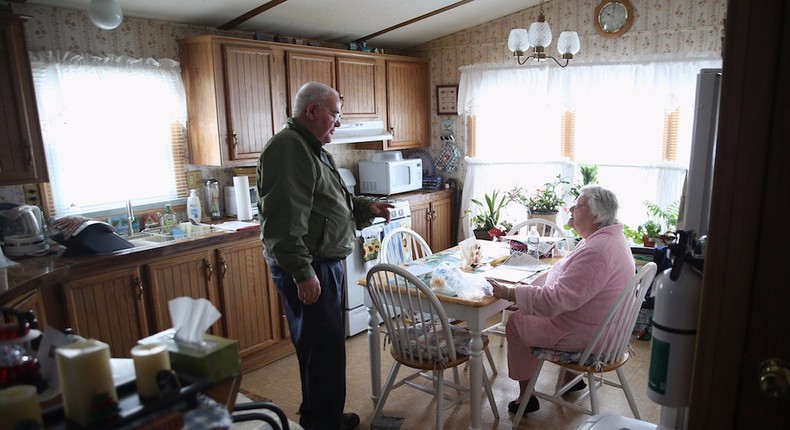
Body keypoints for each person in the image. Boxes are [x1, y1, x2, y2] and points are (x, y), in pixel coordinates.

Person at [257, 81, 393, 430]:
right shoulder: (289, 149)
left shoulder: (312, 147)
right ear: (312, 111)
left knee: (320, 349)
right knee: (324, 351)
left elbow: (329, 204)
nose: (339, 122)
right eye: (335, 114)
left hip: (320, 262)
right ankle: (326, 423)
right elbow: (284, 220)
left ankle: (319, 415)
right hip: (310, 264)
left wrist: (367, 207)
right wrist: (302, 272)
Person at [488, 185, 635, 415]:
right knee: (530, 310)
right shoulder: (609, 239)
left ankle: (526, 399)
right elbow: (572, 287)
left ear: (595, 215)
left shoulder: (598, 251)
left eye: (578, 206)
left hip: (590, 336)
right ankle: (573, 379)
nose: (572, 209)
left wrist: (511, 293)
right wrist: (527, 295)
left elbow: (557, 300)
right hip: (605, 328)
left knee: (517, 324)